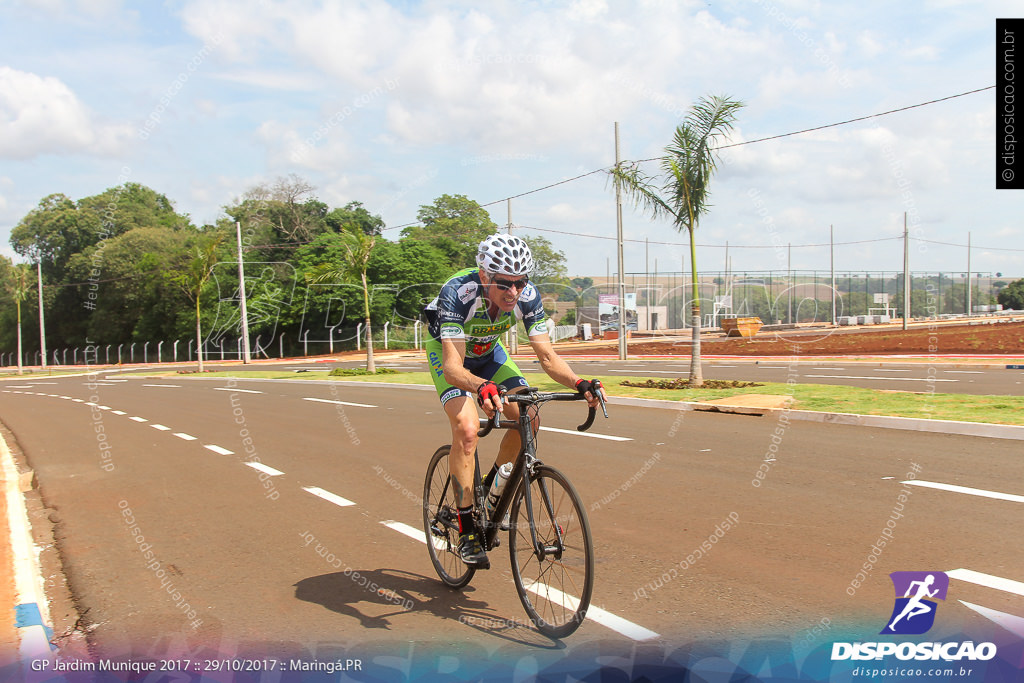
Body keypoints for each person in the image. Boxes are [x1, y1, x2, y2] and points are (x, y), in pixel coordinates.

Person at [423, 233, 604, 569]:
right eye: (505, 284)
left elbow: (547, 356)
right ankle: (465, 531)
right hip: (452, 357)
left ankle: (491, 492)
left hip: (490, 354)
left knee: (529, 416)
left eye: (521, 283)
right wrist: (480, 387)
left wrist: (580, 383)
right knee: (467, 428)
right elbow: (452, 368)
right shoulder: (458, 293)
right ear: (484, 277)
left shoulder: (527, 297)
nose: (514, 292)